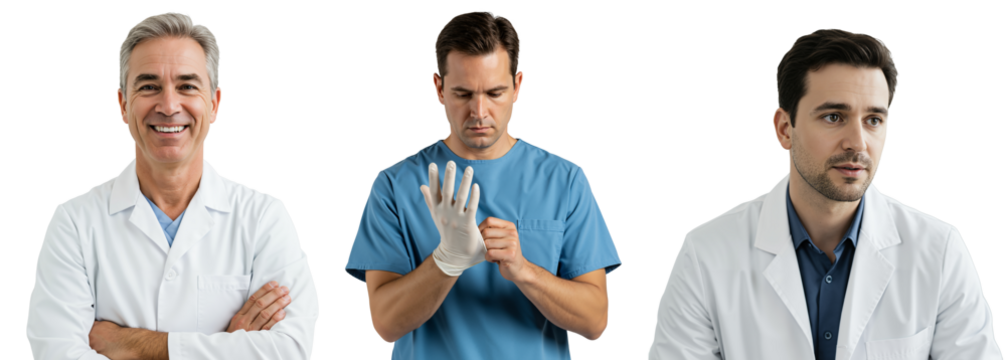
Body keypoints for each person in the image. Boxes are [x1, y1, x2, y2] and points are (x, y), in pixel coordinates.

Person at [648, 27, 1002, 360]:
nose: (858, 143)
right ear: (785, 129)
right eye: (834, 117)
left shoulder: (939, 250)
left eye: (874, 120)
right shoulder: (706, 253)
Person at [26, 11, 319, 359]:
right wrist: (227, 343)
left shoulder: (263, 218)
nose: (168, 106)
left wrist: (133, 345)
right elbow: (57, 353)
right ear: (122, 104)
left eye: (187, 86)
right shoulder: (74, 222)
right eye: (149, 86)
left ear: (213, 104)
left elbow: (290, 350)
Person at [342, 9, 622, 359]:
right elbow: (385, 324)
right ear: (439, 88)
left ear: (518, 86)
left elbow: (595, 322)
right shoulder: (395, 184)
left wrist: (524, 271)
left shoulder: (564, 180)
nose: (478, 111)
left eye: (494, 92)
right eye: (462, 94)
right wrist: (447, 260)